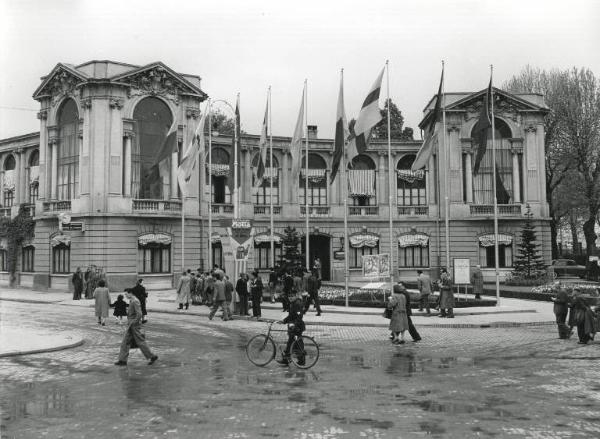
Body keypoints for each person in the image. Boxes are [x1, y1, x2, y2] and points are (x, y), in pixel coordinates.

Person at [115, 289, 158, 366]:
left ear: (130, 293)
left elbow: (139, 314)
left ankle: (152, 356)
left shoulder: (135, 301)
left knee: (140, 342)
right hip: (131, 325)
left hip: (134, 326)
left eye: (126, 294)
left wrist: (134, 322)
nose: (125, 296)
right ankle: (122, 360)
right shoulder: (132, 300)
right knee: (125, 342)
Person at [276, 290, 306, 366]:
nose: (290, 297)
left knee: (296, 343)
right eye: (289, 296)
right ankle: (287, 359)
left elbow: (300, 316)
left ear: (296, 296)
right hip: (293, 326)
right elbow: (290, 316)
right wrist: (283, 321)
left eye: (292, 296)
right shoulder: (292, 303)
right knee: (292, 343)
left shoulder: (297, 303)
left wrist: (294, 325)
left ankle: (299, 360)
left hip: (297, 326)